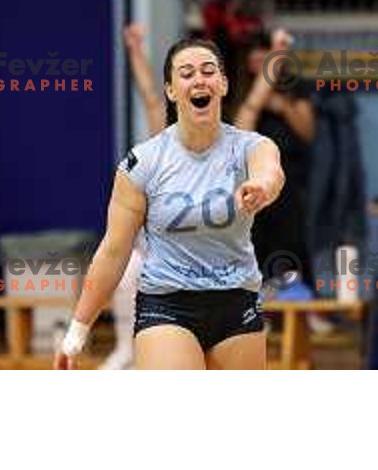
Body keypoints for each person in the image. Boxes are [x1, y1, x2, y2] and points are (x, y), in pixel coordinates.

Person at [55, 38, 284, 370]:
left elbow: (271, 170)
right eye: (186, 73)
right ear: (172, 90)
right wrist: (76, 331)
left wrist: (263, 185)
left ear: (223, 84)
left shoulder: (250, 145)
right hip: (167, 304)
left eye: (208, 71)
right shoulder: (144, 162)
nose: (199, 79)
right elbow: (113, 251)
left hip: (237, 301)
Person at [98, 24, 164, 370]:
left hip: (188, 260)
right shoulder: (156, 156)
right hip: (148, 252)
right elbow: (152, 99)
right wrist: (136, 52)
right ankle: (126, 348)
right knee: (129, 267)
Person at [234, 29, 315, 290]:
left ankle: (302, 301)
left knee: (292, 241)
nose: (259, 61)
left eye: (266, 56)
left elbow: (307, 131)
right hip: (250, 180)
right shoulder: (239, 91)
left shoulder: (293, 87)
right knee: (256, 243)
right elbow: (241, 128)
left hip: (289, 177)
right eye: (255, 57)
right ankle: (261, 305)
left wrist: (283, 107)